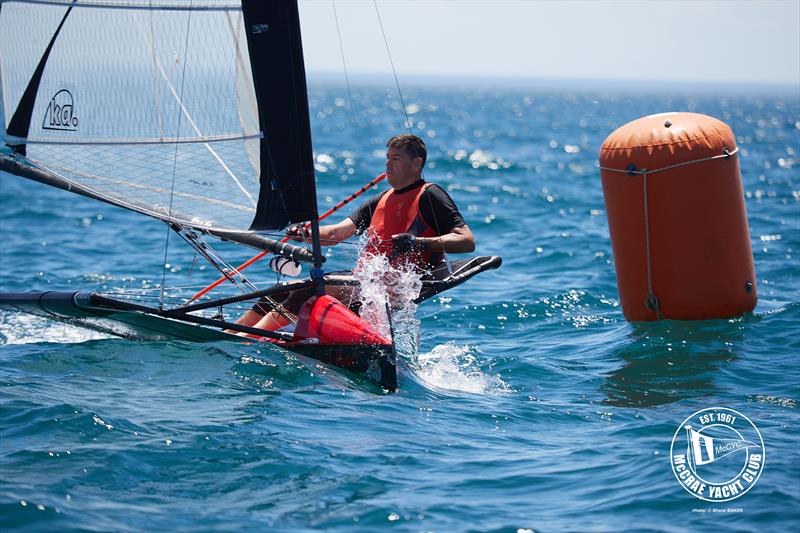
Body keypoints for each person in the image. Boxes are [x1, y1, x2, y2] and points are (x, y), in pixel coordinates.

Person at [235, 134, 474, 332]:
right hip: (364, 279)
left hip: (393, 286)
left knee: (307, 291)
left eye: (396, 159)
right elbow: (338, 233)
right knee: (283, 290)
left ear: (416, 164)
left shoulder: (430, 195)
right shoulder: (381, 199)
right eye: (387, 158)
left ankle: (251, 337)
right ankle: (233, 330)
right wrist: (305, 232)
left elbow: (466, 240)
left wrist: (419, 243)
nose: (388, 165)